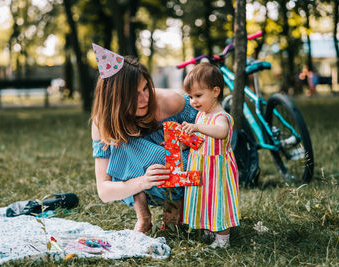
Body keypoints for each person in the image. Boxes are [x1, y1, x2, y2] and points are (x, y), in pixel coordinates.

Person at [90, 43, 198, 233]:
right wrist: (143, 181)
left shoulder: (169, 102)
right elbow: (105, 191)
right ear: (115, 98)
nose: (144, 98)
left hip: (184, 172)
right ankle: (143, 217)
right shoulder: (103, 123)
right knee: (124, 148)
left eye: (145, 88)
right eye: (134, 94)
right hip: (145, 179)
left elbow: (208, 126)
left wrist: (185, 141)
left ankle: (173, 213)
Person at [181, 63, 240, 248]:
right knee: (204, 199)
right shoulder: (201, 115)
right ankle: (208, 227)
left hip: (217, 171)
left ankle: (223, 238)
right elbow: (197, 140)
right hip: (200, 166)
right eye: (190, 97)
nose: (193, 101)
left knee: (219, 201)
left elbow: (221, 132)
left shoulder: (220, 116)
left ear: (215, 91)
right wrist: (180, 144)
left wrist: (197, 127)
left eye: (198, 95)